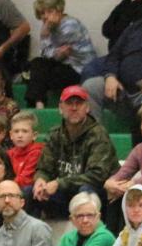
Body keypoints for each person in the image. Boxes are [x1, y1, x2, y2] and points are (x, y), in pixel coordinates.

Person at [31, 86, 116, 219]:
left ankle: (90, 236)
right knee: (30, 193)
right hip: (64, 196)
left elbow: (97, 175)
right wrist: (40, 180)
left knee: (85, 192)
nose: (74, 108)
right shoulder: (55, 135)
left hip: (96, 194)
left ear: (87, 108)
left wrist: (59, 183)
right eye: (69, 103)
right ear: (60, 108)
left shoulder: (98, 135)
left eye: (79, 103)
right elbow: (43, 169)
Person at [25, 0, 97, 109]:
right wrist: (53, 49)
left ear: (59, 10)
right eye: (42, 13)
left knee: (41, 74)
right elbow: (46, 54)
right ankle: (38, 102)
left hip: (79, 69)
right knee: (37, 62)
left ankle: (37, 103)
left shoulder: (70, 25)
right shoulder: (50, 26)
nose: (46, 16)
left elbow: (54, 54)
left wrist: (45, 35)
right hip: (64, 64)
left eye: (50, 11)